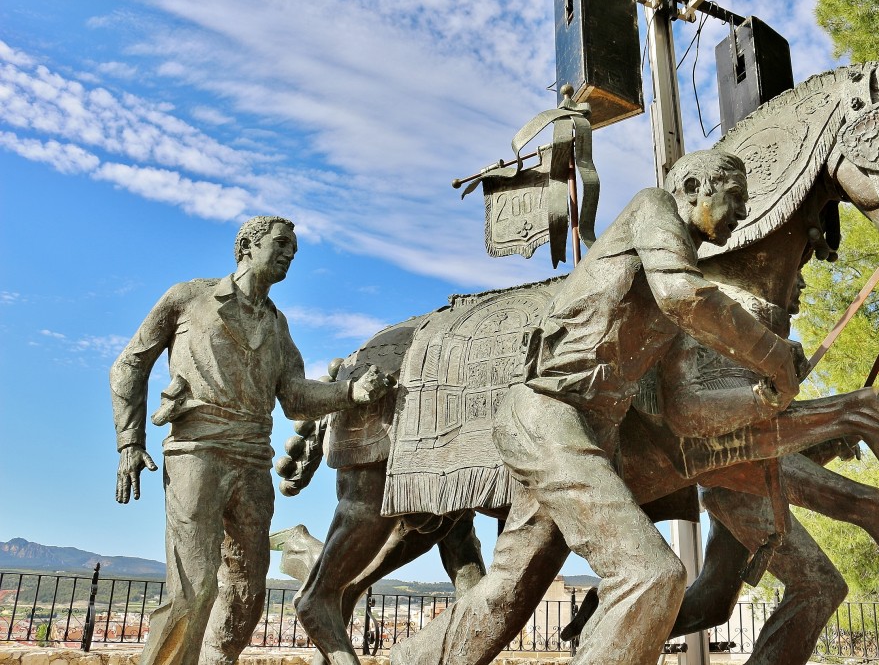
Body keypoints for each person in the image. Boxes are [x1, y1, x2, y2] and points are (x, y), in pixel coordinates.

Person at [390, 150, 805, 665]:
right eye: (736, 197)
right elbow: (684, 294)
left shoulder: (670, 285)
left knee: (504, 597)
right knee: (650, 573)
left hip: (583, 434)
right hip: (550, 414)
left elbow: (683, 409)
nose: (743, 212)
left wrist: (760, 397)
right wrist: (772, 353)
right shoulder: (654, 209)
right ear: (695, 185)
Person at [110, 216, 387, 665]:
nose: (288, 256)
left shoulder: (278, 326)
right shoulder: (188, 299)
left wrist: (348, 393)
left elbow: (295, 397)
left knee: (246, 593)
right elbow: (128, 366)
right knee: (195, 588)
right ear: (246, 247)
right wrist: (129, 441)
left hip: (253, 462)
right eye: (280, 245)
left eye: (293, 252)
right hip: (197, 453)